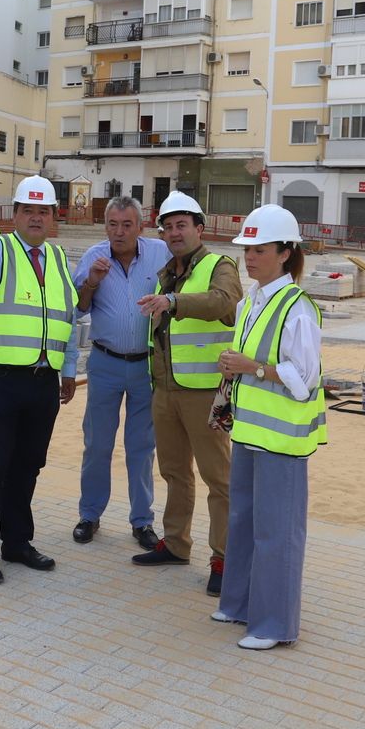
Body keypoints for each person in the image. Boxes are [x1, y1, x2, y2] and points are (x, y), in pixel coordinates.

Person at [214, 205, 326, 650]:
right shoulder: (250, 302)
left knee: (277, 531)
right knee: (242, 521)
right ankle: (239, 604)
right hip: (248, 432)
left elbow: (305, 379)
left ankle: (274, 624)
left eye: (259, 250)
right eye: (247, 249)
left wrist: (253, 368)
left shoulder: (299, 309)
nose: (250, 258)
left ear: (285, 253)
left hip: (281, 439)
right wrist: (235, 367)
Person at [0, 176, 80, 584]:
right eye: (27, 210)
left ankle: (16, 542)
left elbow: (68, 320)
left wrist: (67, 373)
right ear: (15, 215)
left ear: (52, 218)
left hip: (42, 381)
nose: (35, 217)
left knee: (28, 465)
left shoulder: (60, 259)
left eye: (42, 211)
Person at [134, 191, 241, 596]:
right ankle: (176, 544)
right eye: (168, 226)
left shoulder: (220, 265)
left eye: (182, 225)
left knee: (220, 479)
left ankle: (224, 558)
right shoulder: (167, 272)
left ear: (199, 228)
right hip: (166, 389)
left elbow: (225, 302)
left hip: (204, 393)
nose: (175, 232)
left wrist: (174, 301)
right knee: (174, 472)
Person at [70, 197, 170, 549]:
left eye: (127, 225)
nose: (119, 232)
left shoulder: (160, 254)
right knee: (97, 443)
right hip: (105, 362)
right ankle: (89, 514)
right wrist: (93, 282)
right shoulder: (93, 257)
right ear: (105, 226)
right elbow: (80, 308)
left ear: (140, 227)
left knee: (142, 446)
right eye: (113, 224)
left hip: (145, 366)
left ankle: (142, 521)